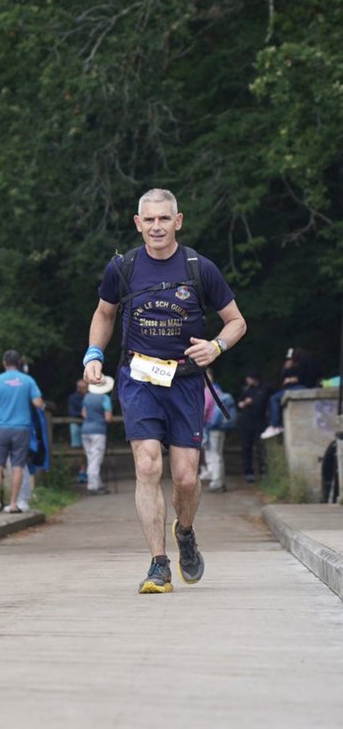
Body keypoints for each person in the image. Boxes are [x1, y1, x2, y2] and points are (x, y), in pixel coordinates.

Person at [83, 187, 246, 594]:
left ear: (178, 221)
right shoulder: (122, 267)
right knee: (148, 465)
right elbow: (104, 313)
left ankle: (185, 533)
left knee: (187, 478)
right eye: (148, 220)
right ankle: (158, 563)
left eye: (163, 219)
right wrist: (93, 353)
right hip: (138, 378)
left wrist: (217, 345)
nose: (156, 226)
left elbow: (236, 321)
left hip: (186, 382)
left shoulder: (199, 268)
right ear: (138, 224)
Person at [0, 350, 44, 513]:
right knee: (18, 465)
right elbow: (38, 403)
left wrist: (0, 408)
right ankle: (13, 503)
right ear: (19, 363)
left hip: (2, 427)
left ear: (4, 363)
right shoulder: (28, 380)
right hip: (21, 428)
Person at [261, 347, 320, 439]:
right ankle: (277, 423)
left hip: (305, 387)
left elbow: (301, 378)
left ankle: (274, 425)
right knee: (278, 397)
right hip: (306, 385)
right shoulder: (306, 361)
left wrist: (289, 378)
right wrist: (287, 370)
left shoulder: (303, 362)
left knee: (274, 399)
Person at [81, 376, 113, 494]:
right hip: (98, 431)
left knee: (91, 458)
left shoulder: (87, 397)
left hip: (85, 430)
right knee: (96, 458)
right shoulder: (104, 398)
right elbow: (108, 418)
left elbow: (83, 413)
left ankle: (97, 483)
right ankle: (92, 486)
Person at [236, 369, 269, 481]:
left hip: (259, 420)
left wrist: (251, 402)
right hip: (246, 421)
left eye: (249, 378)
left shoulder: (264, 388)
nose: (247, 380)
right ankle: (248, 472)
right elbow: (239, 404)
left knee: (260, 447)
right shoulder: (246, 390)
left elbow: (263, 401)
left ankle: (263, 471)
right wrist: (244, 403)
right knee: (246, 447)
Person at [67, 379, 88, 482]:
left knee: (88, 448)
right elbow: (72, 412)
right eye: (80, 388)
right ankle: (82, 469)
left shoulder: (90, 397)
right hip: (76, 424)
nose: (81, 390)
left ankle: (88, 470)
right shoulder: (73, 398)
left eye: (83, 387)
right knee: (78, 449)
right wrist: (83, 414)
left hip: (88, 424)